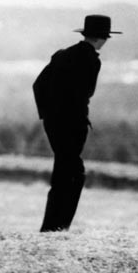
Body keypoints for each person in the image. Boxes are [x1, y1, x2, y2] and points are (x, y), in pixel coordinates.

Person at [33, 14, 121, 232]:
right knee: (73, 175)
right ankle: (59, 226)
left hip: (53, 124)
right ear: (103, 38)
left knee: (63, 173)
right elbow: (86, 94)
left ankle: (52, 226)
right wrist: (74, 116)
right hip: (73, 125)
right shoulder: (92, 60)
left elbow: (38, 85)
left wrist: (48, 115)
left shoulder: (61, 55)